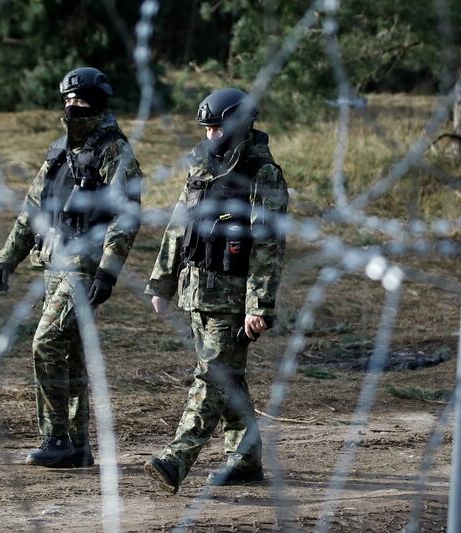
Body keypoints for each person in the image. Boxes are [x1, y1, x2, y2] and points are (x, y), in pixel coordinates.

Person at [0, 67, 141, 467]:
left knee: (46, 342)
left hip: (85, 265)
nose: (71, 106)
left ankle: (55, 437)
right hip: (54, 261)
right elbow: (33, 208)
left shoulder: (115, 152)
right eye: (67, 99)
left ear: (97, 101)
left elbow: (126, 217)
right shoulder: (59, 150)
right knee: (71, 354)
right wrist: (10, 255)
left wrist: (109, 271)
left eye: (79, 100)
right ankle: (76, 447)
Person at [143, 88, 288, 493]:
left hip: (233, 301)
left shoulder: (263, 173)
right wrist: (163, 282)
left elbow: (268, 245)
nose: (210, 136)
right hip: (197, 294)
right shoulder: (202, 170)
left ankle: (176, 458)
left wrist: (259, 305)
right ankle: (244, 460)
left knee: (211, 377)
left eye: (216, 127)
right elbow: (178, 228)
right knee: (228, 378)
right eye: (206, 128)